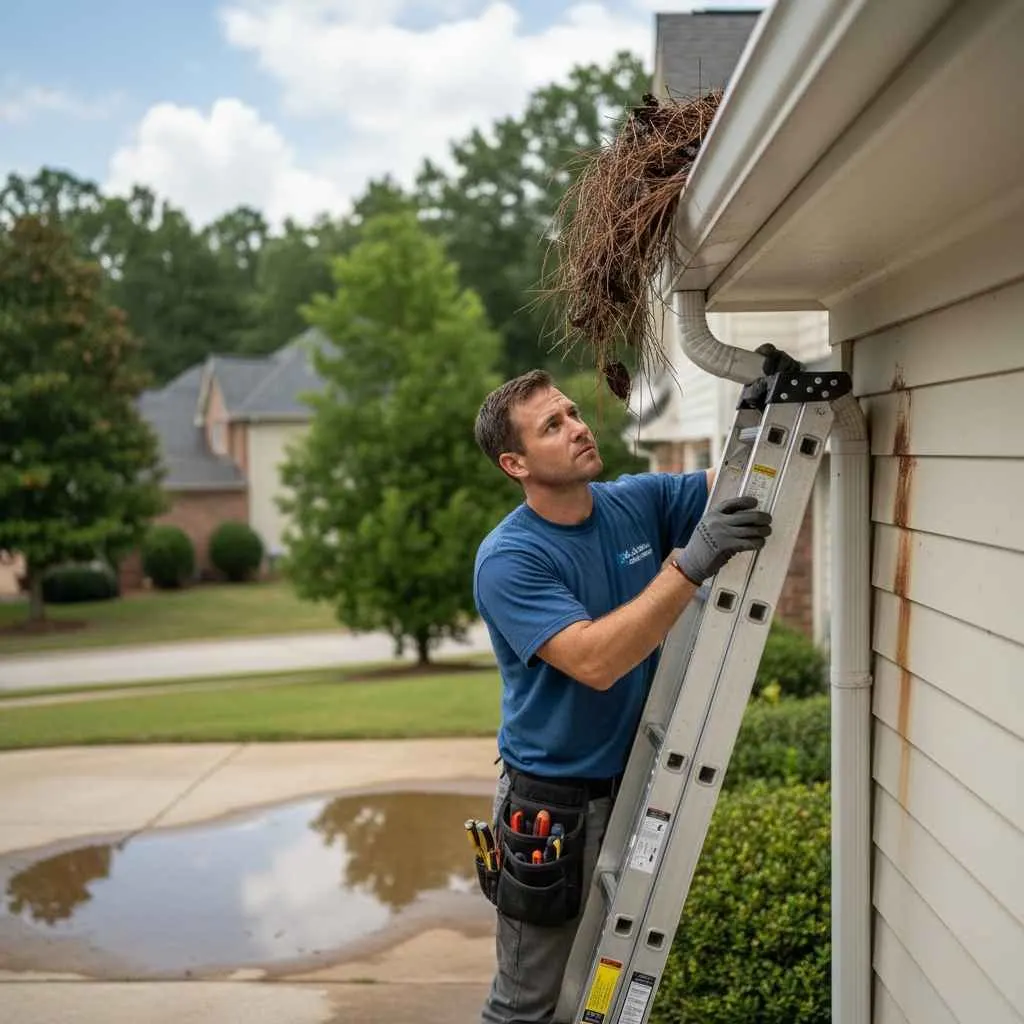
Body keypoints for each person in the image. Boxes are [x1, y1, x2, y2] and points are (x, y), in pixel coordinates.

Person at [471, 368, 774, 1024]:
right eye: (552, 425)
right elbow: (596, 661)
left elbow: (735, 486)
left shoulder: (635, 501)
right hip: (552, 813)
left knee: (606, 992)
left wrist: (761, 413)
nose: (579, 426)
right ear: (514, 463)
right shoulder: (509, 558)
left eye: (573, 412)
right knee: (528, 1002)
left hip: (638, 789)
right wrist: (687, 565)